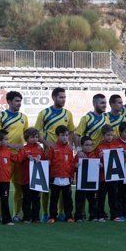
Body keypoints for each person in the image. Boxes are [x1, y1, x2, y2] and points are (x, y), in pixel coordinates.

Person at [34, 87, 75, 221]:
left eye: (64, 97)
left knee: (64, 187)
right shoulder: (44, 113)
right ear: (54, 97)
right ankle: (46, 213)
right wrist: (47, 144)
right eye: (60, 97)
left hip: (63, 154)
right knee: (47, 187)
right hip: (48, 155)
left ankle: (62, 212)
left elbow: (72, 131)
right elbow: (36, 133)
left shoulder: (68, 114)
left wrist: (70, 145)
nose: (63, 99)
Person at [0, 91, 29, 223]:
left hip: (19, 158)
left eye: (20, 101)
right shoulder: (0, 116)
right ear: (9, 101)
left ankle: (16, 214)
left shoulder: (24, 117)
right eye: (16, 101)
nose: (19, 103)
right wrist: (13, 146)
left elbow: (27, 136)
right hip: (4, 157)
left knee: (19, 186)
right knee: (3, 187)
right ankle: (1, 215)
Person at [45, 125, 76, 223]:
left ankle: (69, 216)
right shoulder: (53, 148)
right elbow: (48, 162)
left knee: (68, 199)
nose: (65, 137)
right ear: (57, 136)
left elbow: (71, 164)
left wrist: (72, 176)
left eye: (66, 135)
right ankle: (52, 217)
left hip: (66, 177)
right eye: (62, 135)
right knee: (54, 198)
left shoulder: (70, 149)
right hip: (55, 177)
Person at [15, 128, 45, 223]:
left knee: (36, 198)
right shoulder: (23, 149)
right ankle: (27, 217)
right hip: (26, 179)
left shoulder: (40, 148)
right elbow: (18, 159)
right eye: (32, 137)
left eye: (36, 137)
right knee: (27, 199)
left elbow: (44, 160)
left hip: (37, 179)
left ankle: (36, 217)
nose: (35, 139)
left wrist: (41, 157)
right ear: (27, 138)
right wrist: (26, 157)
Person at [95, 125, 120, 222]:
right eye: (108, 135)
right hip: (102, 177)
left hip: (113, 176)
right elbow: (95, 161)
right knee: (101, 197)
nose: (110, 137)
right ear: (103, 135)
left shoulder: (116, 145)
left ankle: (114, 215)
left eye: (111, 135)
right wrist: (99, 157)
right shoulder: (99, 147)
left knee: (113, 196)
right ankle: (100, 215)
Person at [74, 136, 99, 222]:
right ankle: (79, 216)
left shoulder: (94, 155)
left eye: (90, 145)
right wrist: (76, 166)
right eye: (86, 145)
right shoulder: (79, 155)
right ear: (82, 146)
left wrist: (99, 165)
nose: (89, 147)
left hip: (91, 181)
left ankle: (93, 215)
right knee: (80, 199)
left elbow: (98, 166)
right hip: (81, 181)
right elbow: (73, 166)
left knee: (92, 199)